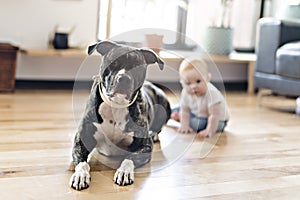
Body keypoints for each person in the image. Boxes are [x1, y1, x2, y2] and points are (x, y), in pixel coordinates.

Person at [171, 59, 230, 138]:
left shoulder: (212, 93)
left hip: (216, 120)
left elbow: (214, 115)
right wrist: (184, 125)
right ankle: (172, 114)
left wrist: (209, 130)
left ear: (208, 78)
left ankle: (178, 117)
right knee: (176, 108)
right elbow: (184, 110)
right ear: (182, 82)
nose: (193, 86)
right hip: (197, 112)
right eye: (188, 83)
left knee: (197, 124)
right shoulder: (185, 92)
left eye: (198, 81)